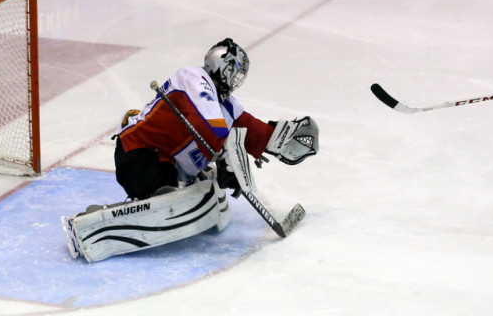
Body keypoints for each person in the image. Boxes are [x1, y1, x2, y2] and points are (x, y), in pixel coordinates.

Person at [61, 38, 319, 262]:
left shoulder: (225, 103)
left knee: (200, 189)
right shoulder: (194, 79)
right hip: (139, 155)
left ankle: (162, 200)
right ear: (222, 66)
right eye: (235, 71)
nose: (237, 79)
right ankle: (94, 220)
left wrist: (280, 139)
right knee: (167, 196)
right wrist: (230, 163)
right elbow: (213, 129)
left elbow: (251, 131)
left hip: (168, 165)